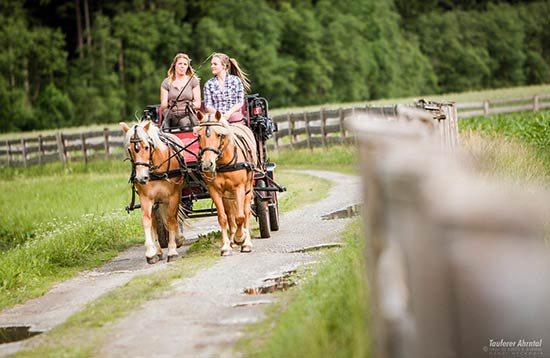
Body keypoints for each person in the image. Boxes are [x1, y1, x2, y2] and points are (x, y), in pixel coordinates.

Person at [203, 52, 250, 123]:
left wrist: (228, 114)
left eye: (215, 64)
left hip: (233, 115)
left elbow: (239, 102)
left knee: (235, 118)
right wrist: (219, 115)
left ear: (224, 66)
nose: (212, 66)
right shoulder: (208, 84)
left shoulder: (235, 80)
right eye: (211, 64)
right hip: (216, 117)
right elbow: (208, 106)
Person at [160, 53, 201, 128]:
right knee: (166, 115)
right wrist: (168, 104)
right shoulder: (166, 82)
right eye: (180, 64)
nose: (182, 66)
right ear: (175, 65)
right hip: (171, 114)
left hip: (187, 114)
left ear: (187, 67)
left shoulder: (193, 81)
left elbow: (198, 104)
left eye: (185, 64)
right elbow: (163, 105)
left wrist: (190, 105)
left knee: (184, 123)